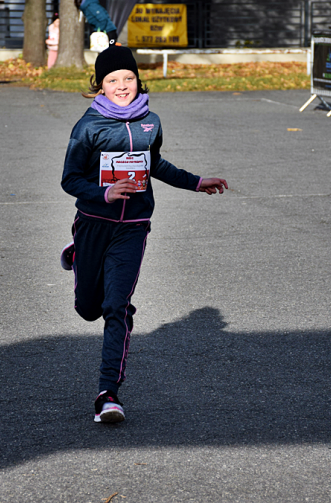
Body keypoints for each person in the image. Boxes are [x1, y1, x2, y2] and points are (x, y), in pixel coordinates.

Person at [60, 43, 228, 424]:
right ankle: (78, 254)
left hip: (133, 227)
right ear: (100, 85)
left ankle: (108, 394)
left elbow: (156, 165)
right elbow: (69, 179)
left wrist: (196, 182)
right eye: (113, 79)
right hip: (93, 222)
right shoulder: (88, 126)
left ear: (139, 80)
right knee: (88, 309)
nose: (122, 85)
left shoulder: (150, 121)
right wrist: (103, 192)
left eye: (129, 78)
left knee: (115, 307)